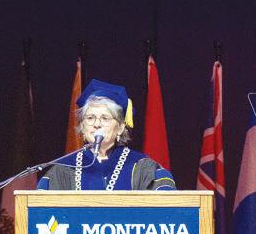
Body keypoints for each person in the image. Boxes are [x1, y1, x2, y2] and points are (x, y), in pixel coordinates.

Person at [37, 80, 175, 190]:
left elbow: (166, 206)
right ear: (82, 127)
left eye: (105, 118)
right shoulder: (64, 168)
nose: (97, 124)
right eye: (90, 118)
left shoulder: (142, 167)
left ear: (120, 128)